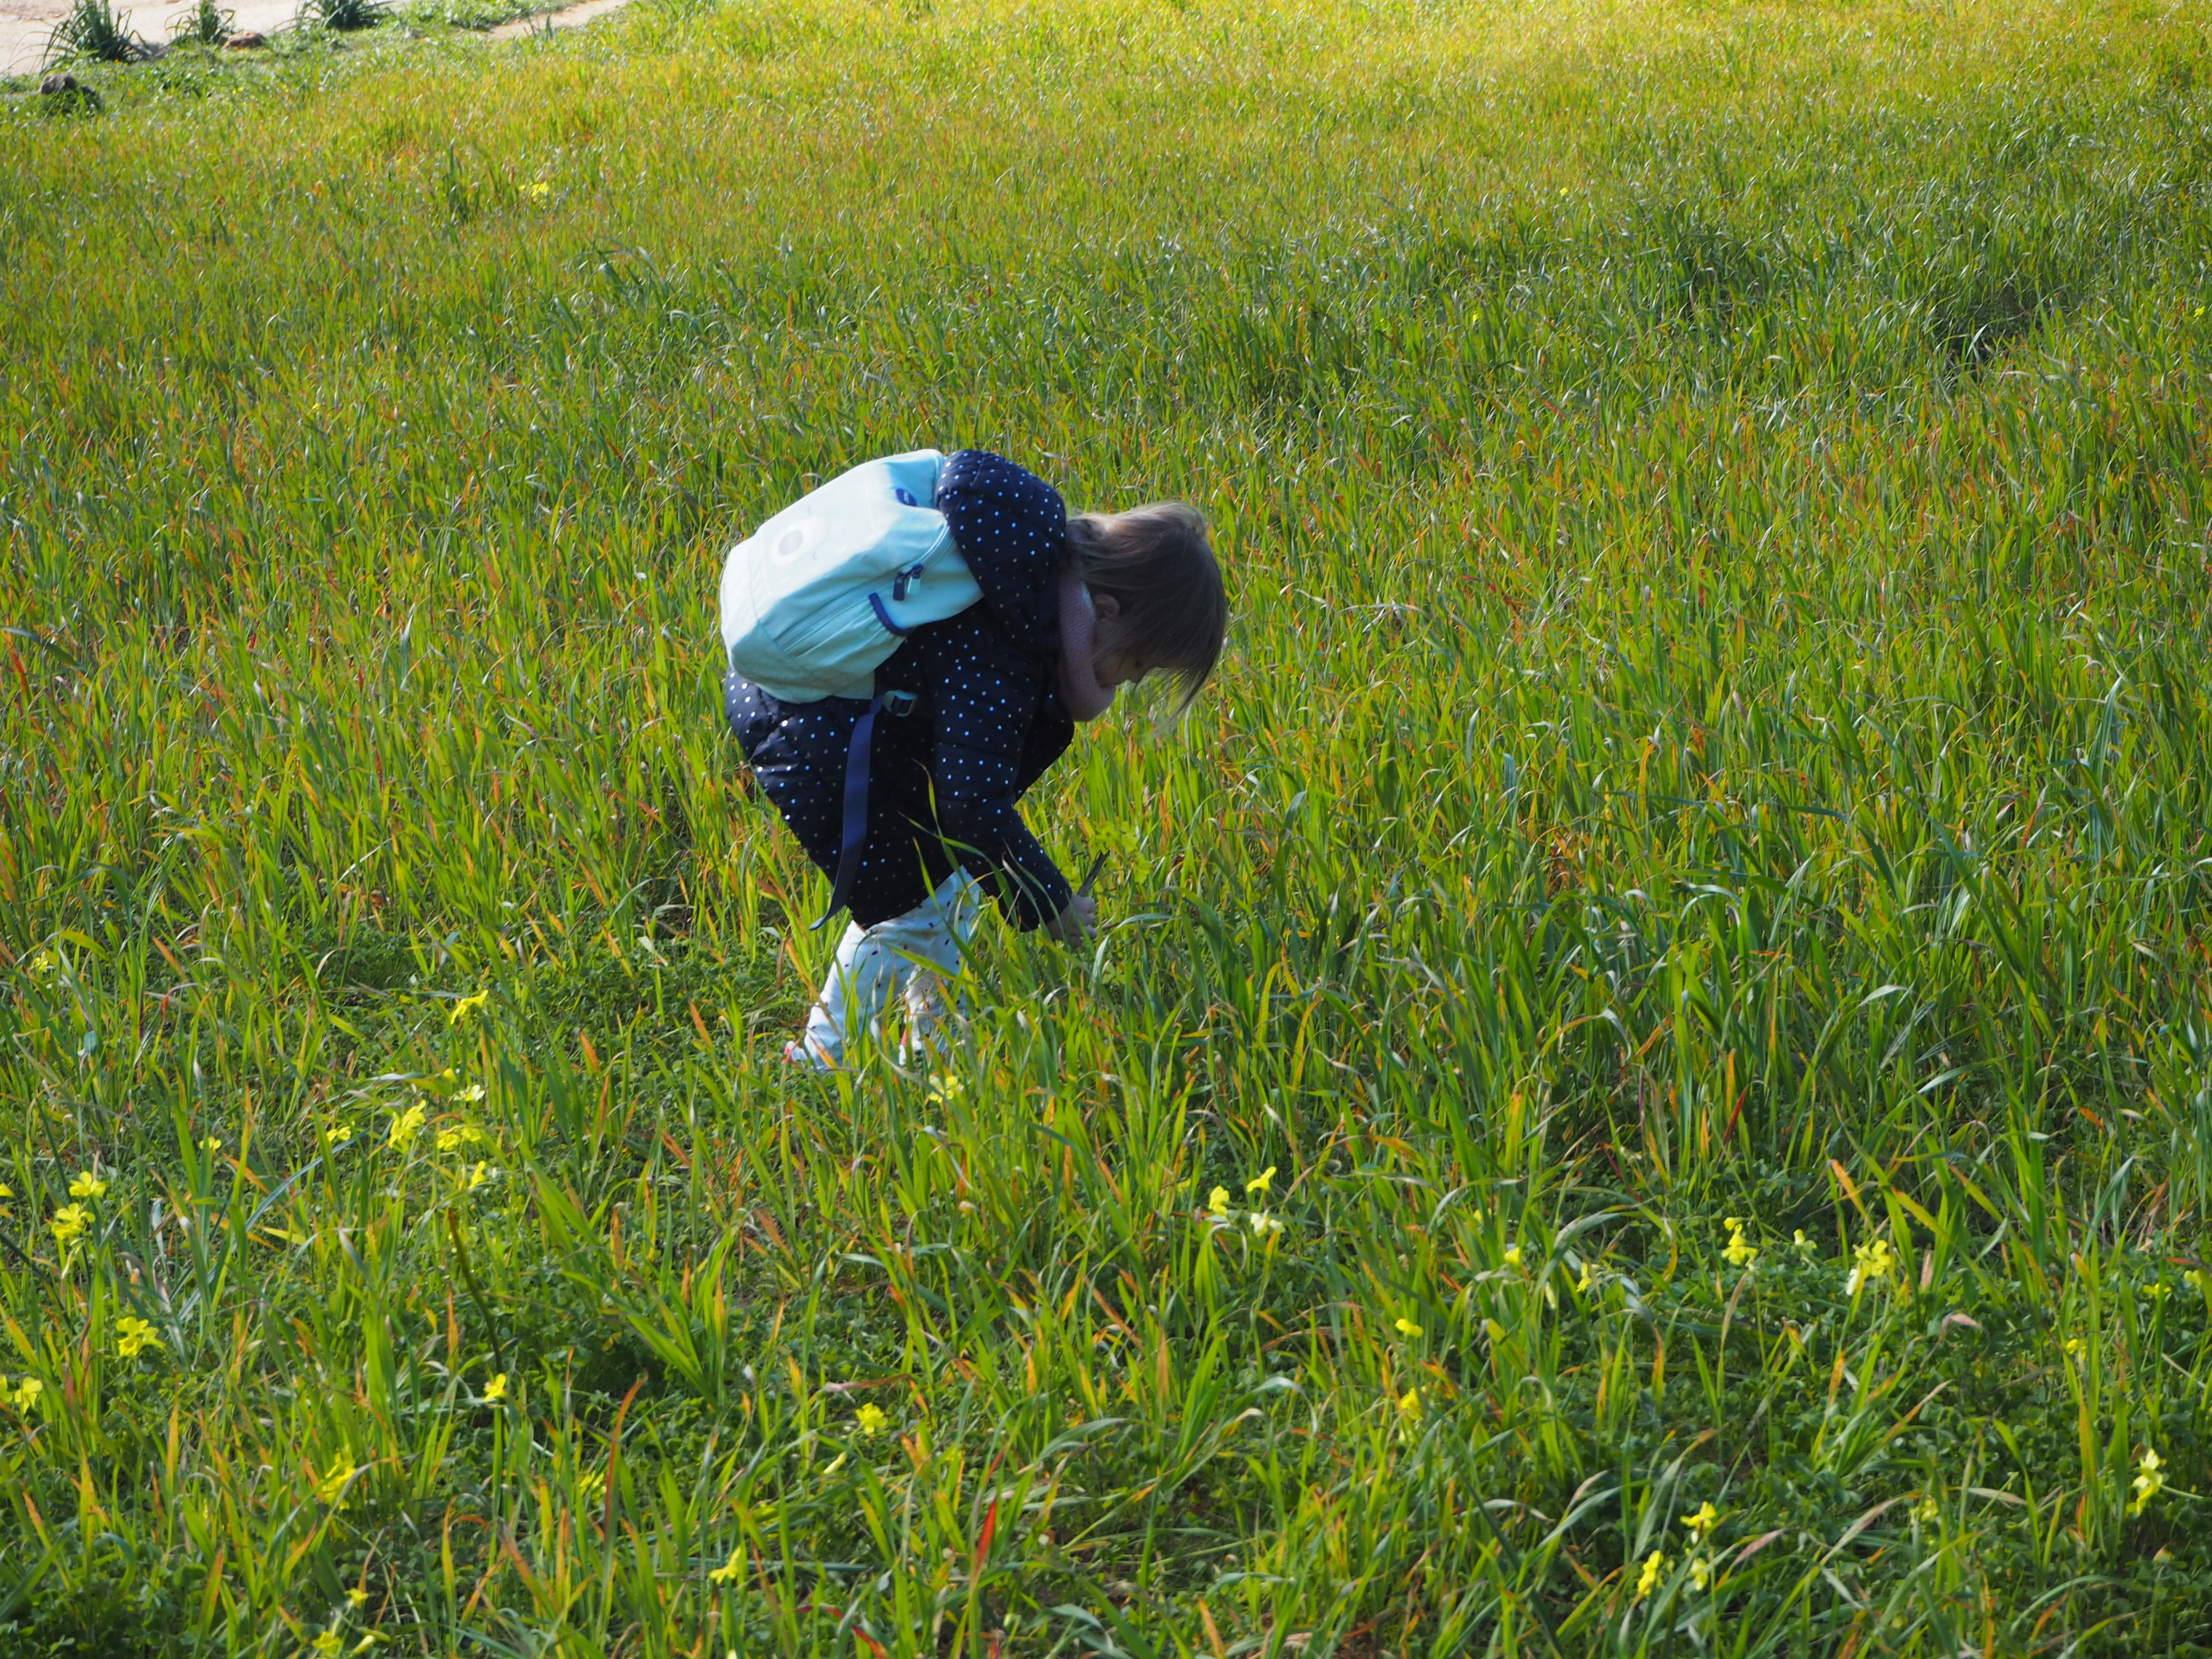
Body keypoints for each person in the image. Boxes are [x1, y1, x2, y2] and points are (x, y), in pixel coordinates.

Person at [724, 449, 1227, 1068]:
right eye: (1139, 666)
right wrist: (1052, 903)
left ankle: (931, 1046)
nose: (1127, 684)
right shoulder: (1008, 642)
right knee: (907, 909)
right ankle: (819, 1065)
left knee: (954, 884)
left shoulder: (1020, 571)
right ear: (1109, 612)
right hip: (822, 737)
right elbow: (972, 807)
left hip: (844, 719)